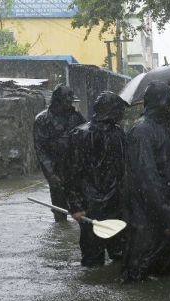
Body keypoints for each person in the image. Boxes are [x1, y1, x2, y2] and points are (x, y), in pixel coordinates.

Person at [122, 81, 170, 282]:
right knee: (140, 269)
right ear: (160, 103)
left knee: (159, 268)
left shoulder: (162, 128)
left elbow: (167, 167)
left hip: (162, 211)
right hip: (148, 215)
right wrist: (167, 213)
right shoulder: (142, 131)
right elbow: (146, 177)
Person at [67, 92, 128, 267]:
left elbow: (124, 168)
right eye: (118, 110)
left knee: (120, 254)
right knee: (92, 258)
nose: (121, 114)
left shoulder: (119, 134)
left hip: (116, 203)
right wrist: (76, 206)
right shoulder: (80, 134)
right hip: (90, 205)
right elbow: (71, 174)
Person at [34, 84, 85, 221]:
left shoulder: (76, 117)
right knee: (59, 207)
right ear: (58, 100)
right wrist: (50, 173)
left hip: (75, 168)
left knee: (80, 207)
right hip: (56, 168)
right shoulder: (42, 119)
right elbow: (41, 149)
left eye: (71, 101)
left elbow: (85, 140)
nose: (70, 104)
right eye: (67, 101)